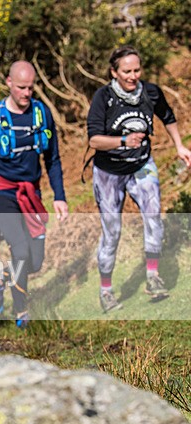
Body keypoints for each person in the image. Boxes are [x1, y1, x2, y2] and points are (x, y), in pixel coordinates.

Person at [87, 45, 191, 312]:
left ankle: (153, 277)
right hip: (109, 173)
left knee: (154, 216)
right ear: (114, 72)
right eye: (126, 71)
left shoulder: (151, 92)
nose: (133, 76)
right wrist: (123, 140)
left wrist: (179, 146)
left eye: (137, 70)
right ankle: (106, 291)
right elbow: (94, 140)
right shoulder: (104, 97)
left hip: (142, 165)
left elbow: (168, 116)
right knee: (113, 232)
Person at [0, 61, 69, 328]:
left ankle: (0, 277)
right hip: (1, 191)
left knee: (35, 262)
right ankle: (21, 310)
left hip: (30, 193)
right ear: (9, 83)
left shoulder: (42, 113)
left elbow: (53, 159)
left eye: (30, 88)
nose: (26, 93)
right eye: (21, 87)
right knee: (21, 251)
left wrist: (59, 196)